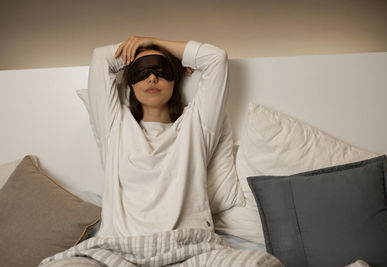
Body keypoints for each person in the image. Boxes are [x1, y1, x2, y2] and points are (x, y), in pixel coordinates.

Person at [39, 36, 282, 267]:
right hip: (119, 251)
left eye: (161, 70)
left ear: (175, 78)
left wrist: (150, 41)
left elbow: (216, 59)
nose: (152, 78)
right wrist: (140, 50)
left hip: (190, 249)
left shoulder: (196, 128)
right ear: (130, 81)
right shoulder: (114, 127)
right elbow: (101, 57)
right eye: (141, 71)